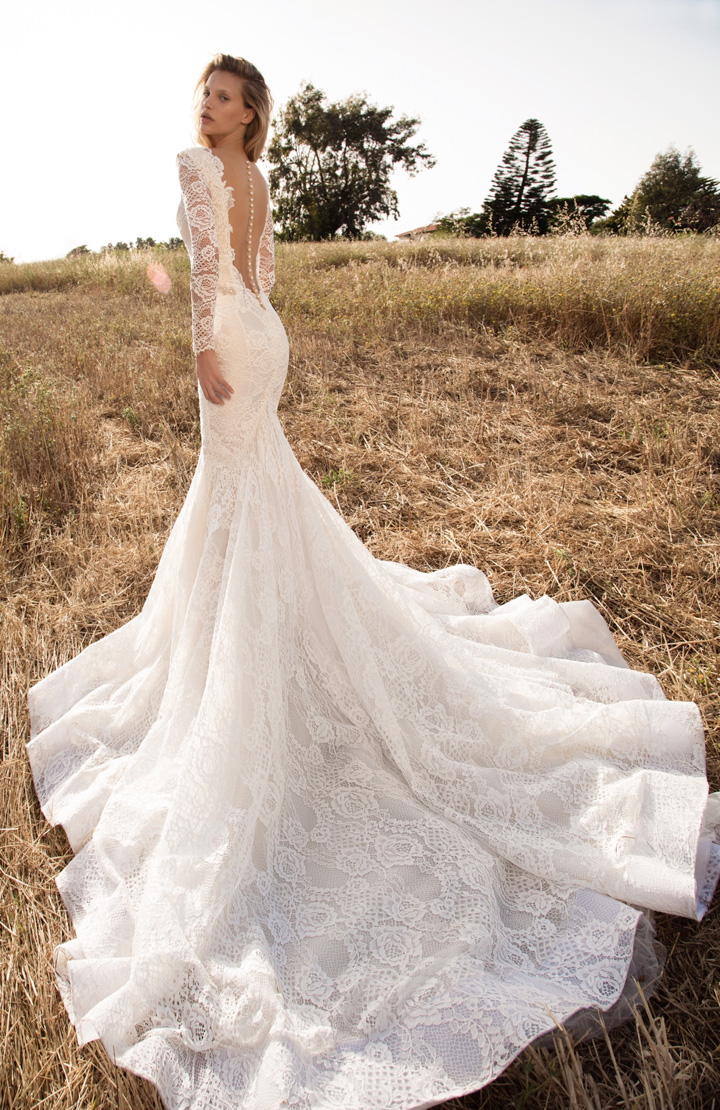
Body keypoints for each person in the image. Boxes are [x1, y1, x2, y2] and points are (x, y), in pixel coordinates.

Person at [26, 52, 720, 1110]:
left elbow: (215, 276)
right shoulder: (255, 173)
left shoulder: (199, 166)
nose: (205, 108)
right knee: (250, 501)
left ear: (249, 113)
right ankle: (247, 632)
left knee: (238, 496)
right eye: (203, 94)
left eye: (223, 97)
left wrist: (205, 351)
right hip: (268, 341)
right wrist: (242, 338)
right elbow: (264, 276)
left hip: (232, 345)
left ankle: (246, 652)